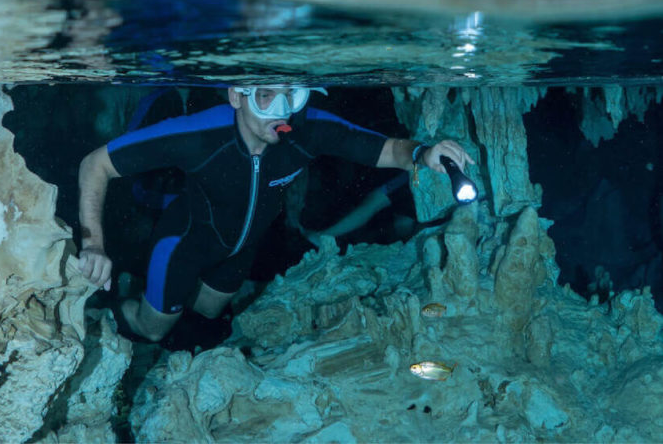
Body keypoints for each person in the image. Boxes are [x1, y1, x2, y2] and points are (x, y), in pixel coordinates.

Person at [78, 85, 475, 342]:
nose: (282, 112)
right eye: (267, 96)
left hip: (242, 247)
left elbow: (388, 150)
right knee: (153, 330)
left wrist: (423, 152)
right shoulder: (197, 135)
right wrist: (94, 244)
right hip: (186, 240)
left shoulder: (307, 129)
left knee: (208, 309)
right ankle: (111, 310)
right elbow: (96, 164)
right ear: (237, 96)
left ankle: (159, 295)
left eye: (294, 95)